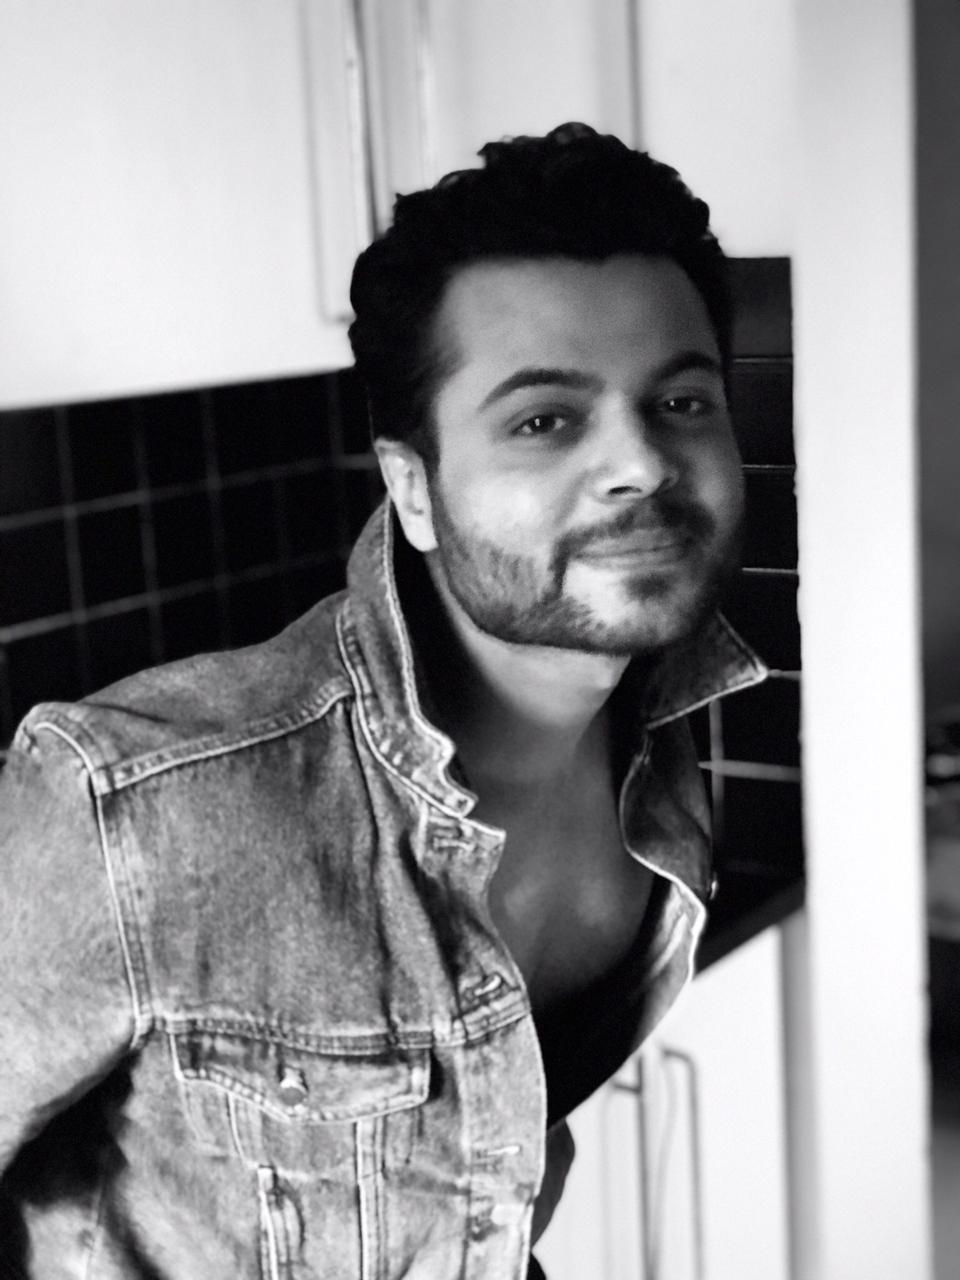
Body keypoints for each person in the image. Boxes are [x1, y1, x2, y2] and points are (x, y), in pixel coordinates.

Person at [0, 122, 766, 1278]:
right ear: (412, 488)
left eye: (682, 400)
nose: (643, 464)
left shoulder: (652, 753)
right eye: (545, 419)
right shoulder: (138, 809)